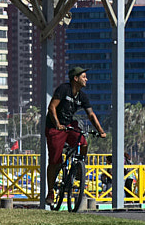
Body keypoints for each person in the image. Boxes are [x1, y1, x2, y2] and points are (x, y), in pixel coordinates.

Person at [43, 66, 107, 207]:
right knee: (55, 160)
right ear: (75, 79)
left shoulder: (83, 96)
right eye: (84, 77)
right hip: (55, 126)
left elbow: (91, 115)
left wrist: (101, 131)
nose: (86, 79)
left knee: (83, 142)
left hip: (69, 125)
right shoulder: (63, 89)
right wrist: (58, 124)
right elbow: (51, 107)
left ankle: (79, 167)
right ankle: (51, 192)